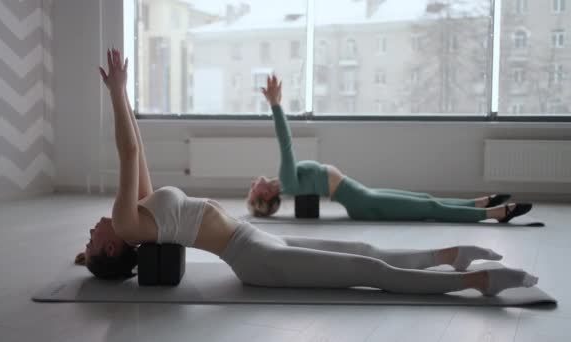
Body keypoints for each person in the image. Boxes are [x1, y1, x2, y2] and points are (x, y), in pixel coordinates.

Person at [76, 49, 539, 297]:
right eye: (90, 245)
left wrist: (125, 96)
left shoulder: (139, 213)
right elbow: (127, 151)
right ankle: (476, 283)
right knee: (368, 269)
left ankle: (449, 253)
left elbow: (135, 148)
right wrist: (116, 93)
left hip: (252, 235)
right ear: (112, 246)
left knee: (364, 247)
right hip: (256, 260)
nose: (90, 234)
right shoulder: (126, 222)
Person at [247, 75, 533, 224]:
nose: (252, 182)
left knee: (425, 198)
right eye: (253, 189)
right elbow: (285, 142)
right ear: (266, 194)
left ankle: (480, 202)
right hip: (364, 204)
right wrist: (275, 105)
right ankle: (494, 215)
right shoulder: (285, 181)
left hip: (363, 195)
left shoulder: (284, 181)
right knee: (429, 209)